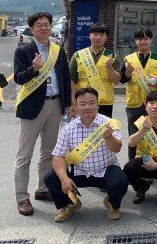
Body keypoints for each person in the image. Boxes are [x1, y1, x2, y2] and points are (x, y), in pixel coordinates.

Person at [13, 12, 72, 216]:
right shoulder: (23, 51)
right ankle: (22, 197)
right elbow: (19, 79)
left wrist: (68, 104)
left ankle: (43, 188)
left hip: (55, 105)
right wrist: (34, 69)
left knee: (49, 152)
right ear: (31, 29)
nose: (44, 28)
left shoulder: (58, 50)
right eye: (39, 25)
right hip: (31, 107)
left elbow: (65, 77)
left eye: (47, 24)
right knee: (24, 155)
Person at [43, 88, 128, 222]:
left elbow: (117, 148)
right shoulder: (68, 129)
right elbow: (57, 156)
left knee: (120, 180)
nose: (87, 107)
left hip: (104, 169)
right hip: (79, 171)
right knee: (50, 178)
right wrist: (64, 179)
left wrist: (109, 137)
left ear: (98, 105)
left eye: (91, 103)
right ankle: (70, 204)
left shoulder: (109, 124)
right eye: (82, 104)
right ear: (76, 107)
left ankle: (112, 203)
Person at [120, 28, 157, 160]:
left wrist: (156, 82)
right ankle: (133, 166)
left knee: (152, 135)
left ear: (151, 40)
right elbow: (122, 80)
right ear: (135, 41)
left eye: (146, 39)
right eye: (140, 39)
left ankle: (150, 165)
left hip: (152, 104)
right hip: (134, 104)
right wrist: (128, 72)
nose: (143, 42)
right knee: (134, 135)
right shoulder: (129, 59)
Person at [69, 23, 121, 118]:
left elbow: (116, 80)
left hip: (105, 102)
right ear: (89, 36)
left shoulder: (113, 56)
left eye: (101, 35)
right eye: (95, 34)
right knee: (83, 129)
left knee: (103, 130)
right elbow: (72, 79)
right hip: (83, 101)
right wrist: (73, 100)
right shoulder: (78, 55)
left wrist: (109, 67)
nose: (98, 37)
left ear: (106, 38)